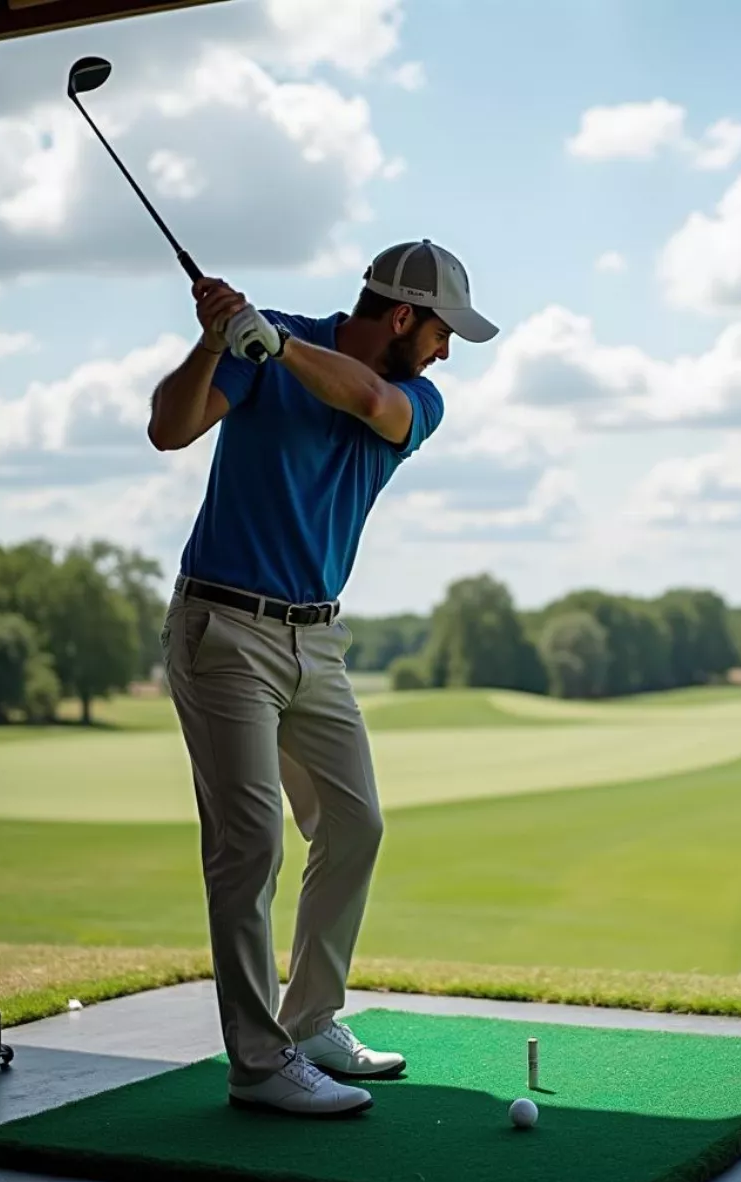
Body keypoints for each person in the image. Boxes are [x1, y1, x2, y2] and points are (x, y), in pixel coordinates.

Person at [149, 239, 498, 1118]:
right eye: (442, 331)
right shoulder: (263, 349)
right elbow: (169, 428)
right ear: (404, 315)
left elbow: (371, 397)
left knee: (354, 823)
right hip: (222, 627)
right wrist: (216, 339)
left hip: (317, 642)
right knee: (251, 847)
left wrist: (273, 344)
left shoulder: (415, 397)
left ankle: (309, 1022)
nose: (446, 352)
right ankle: (259, 1067)